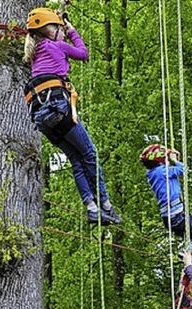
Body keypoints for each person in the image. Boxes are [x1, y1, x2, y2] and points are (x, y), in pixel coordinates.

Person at [23, 8, 121, 225]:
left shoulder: (33, 53)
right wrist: (73, 31)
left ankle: (92, 208)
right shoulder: (57, 44)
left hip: (43, 118)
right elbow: (83, 54)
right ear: (52, 30)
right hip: (60, 109)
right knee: (89, 154)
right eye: (60, 30)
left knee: (77, 160)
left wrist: (59, 21)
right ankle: (105, 204)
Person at [140, 144, 192, 268]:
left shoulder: (152, 174)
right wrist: (174, 160)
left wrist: (169, 155)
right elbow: (183, 169)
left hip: (168, 218)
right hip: (177, 215)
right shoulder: (163, 171)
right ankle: (188, 251)